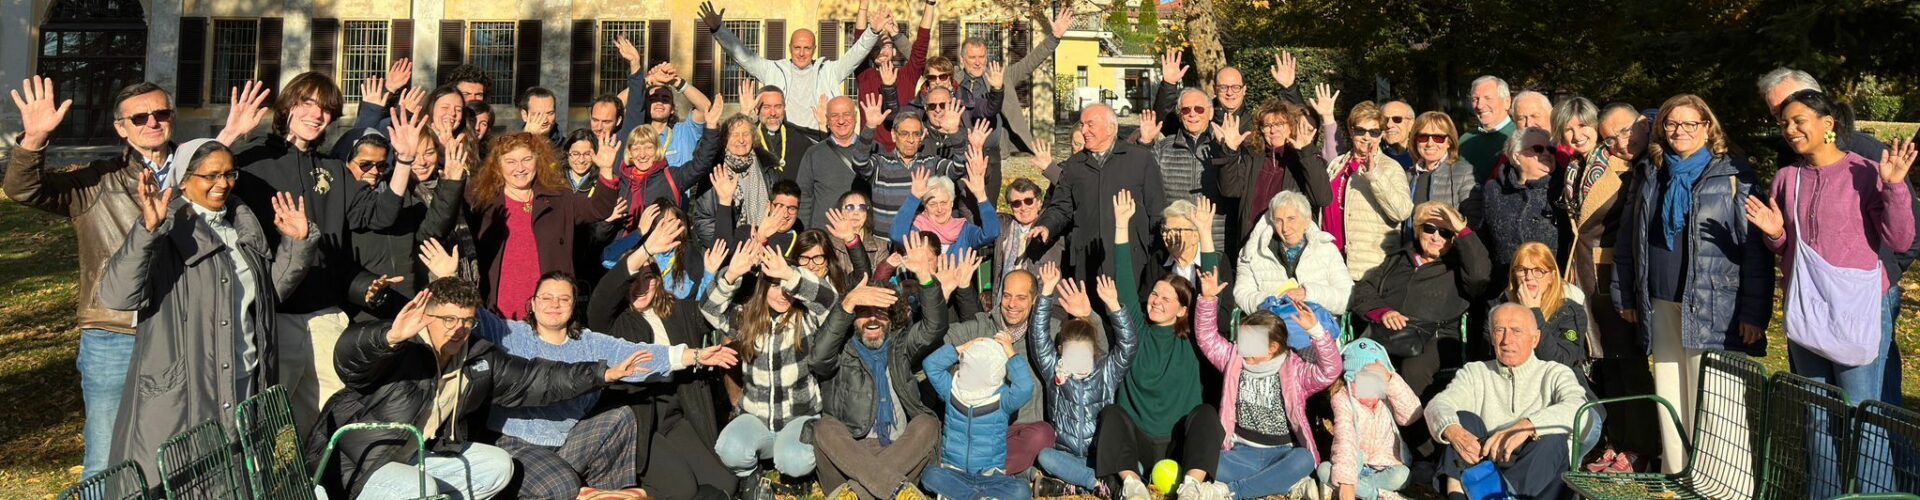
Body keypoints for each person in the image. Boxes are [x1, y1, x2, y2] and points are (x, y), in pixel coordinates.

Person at [313, 277, 654, 499]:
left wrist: (603, 374)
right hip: (360, 464)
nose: (459, 328)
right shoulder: (401, 347)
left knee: (498, 465)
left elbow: (537, 379)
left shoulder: (477, 357)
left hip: (422, 454)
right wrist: (387, 338)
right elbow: (350, 361)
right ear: (428, 316)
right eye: (449, 319)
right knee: (425, 488)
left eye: (466, 320)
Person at [99, 138, 317, 485]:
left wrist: (297, 245)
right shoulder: (166, 227)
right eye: (210, 175)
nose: (223, 184)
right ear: (184, 179)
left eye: (230, 174)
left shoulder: (242, 226)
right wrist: (146, 232)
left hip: (247, 377)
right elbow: (117, 295)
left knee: (236, 480)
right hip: (188, 390)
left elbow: (264, 297)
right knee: (186, 482)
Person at [3, 78, 174, 477]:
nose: (152, 122)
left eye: (161, 113)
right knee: (106, 452)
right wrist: (33, 140)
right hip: (112, 333)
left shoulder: (192, 175)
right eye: (140, 117)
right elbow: (23, 190)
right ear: (121, 128)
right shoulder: (96, 183)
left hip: (173, 330)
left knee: (169, 447)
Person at [218, 74, 404, 436]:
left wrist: (407, 161)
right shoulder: (250, 161)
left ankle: (323, 483)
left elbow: (378, 215)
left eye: (326, 110)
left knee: (335, 415)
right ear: (288, 106)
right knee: (268, 420)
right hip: (275, 313)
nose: (317, 115)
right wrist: (229, 134)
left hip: (325, 314)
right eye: (308, 104)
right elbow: (196, 185)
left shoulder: (333, 169)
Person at [1611, 94, 1774, 480]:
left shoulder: (1733, 173)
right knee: (1671, 394)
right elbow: (1628, 239)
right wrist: (1626, 294)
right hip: (1660, 300)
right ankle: (1679, 477)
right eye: (1671, 124)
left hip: (1716, 303)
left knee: (1716, 399)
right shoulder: (1651, 172)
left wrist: (1754, 313)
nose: (1679, 131)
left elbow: (1755, 250)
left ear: (1708, 128)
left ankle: (1724, 486)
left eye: (1690, 124)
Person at [478, 272, 739, 499]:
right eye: (546, 298)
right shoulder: (509, 334)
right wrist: (448, 273)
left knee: (621, 417)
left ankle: (611, 493)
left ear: (573, 306)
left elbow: (637, 354)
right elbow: (470, 314)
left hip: (566, 442)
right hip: (517, 443)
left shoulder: (588, 343)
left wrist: (692, 355)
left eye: (564, 298)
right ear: (533, 303)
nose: (554, 304)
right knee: (562, 485)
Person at [1758, 67, 1915, 408]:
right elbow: (1790, 245)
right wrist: (1775, 235)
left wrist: (1895, 187)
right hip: (1808, 303)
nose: (1787, 125)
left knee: (1867, 410)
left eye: (1796, 115)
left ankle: (1890, 465)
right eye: (1780, 118)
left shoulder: (1868, 161)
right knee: (1817, 410)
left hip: (1859, 302)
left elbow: (1902, 238)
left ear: (1826, 120)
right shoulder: (1787, 176)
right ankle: (1826, 466)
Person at [1094, 190, 1231, 498]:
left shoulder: (1195, 337)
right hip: (1139, 443)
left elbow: (1209, 291)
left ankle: (1192, 486)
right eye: (1154, 295)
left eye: (1165, 298)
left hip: (1179, 444)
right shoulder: (1137, 331)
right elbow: (1126, 280)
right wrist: (1121, 225)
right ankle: (1131, 485)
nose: (1155, 301)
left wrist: (1205, 233)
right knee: (1111, 414)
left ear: (1183, 309)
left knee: (1208, 415)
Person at [588, 243, 737, 500]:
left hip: (673, 414)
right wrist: (646, 248)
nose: (641, 287)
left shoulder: (673, 310)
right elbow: (601, 299)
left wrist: (724, 274)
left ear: (658, 280)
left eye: (648, 278)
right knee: (682, 489)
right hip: (639, 423)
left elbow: (706, 310)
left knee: (725, 482)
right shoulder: (611, 322)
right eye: (633, 280)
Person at [700, 240, 837, 495]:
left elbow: (830, 301)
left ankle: (793, 468)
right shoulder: (747, 318)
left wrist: (788, 274)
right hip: (757, 418)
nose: (782, 293)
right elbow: (708, 308)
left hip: (799, 416)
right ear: (763, 288)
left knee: (794, 461)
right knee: (729, 449)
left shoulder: (807, 319)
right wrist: (731, 275)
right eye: (774, 286)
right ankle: (752, 475)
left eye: (786, 286)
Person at [1349, 202, 1490, 445]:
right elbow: (1363, 291)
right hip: (1387, 332)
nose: (1436, 237)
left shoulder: (1458, 268)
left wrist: (1461, 228)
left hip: (1433, 336)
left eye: (1445, 232)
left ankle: (1416, 445)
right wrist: (1383, 312)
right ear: (1418, 230)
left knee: (1413, 369)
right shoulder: (1398, 260)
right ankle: (1369, 441)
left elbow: (1481, 275)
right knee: (1365, 364)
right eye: (1429, 229)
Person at [1194, 271, 1343, 499]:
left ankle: (1235, 491)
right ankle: (1284, 483)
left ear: (1273, 347)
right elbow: (1208, 338)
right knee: (1211, 462)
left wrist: (1316, 332)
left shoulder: (1295, 370)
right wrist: (1207, 300)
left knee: (1305, 459)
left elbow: (1330, 370)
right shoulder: (1234, 359)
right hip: (1241, 451)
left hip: (1283, 452)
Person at [1424, 303, 1591, 500]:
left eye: (1516, 331)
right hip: (1485, 465)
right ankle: (1459, 495)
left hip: (1537, 474)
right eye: (1499, 331)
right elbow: (1438, 405)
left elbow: (1581, 411)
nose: (1506, 340)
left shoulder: (1555, 372)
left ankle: (1503, 495)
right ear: (1492, 337)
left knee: (1554, 437)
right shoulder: (1475, 372)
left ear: (1535, 339)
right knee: (1461, 420)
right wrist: (1454, 432)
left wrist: (1528, 426)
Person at [809, 268, 950, 499]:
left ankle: (855, 494)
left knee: (927, 423)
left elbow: (934, 327)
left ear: (891, 316)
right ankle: (895, 490)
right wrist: (847, 303)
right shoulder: (843, 349)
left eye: (880, 311)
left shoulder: (901, 345)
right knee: (824, 427)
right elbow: (818, 358)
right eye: (863, 311)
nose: (872, 318)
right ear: (853, 318)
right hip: (850, 452)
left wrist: (925, 279)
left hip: (900, 450)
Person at [464, 133, 621, 320]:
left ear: (538, 161)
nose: (520, 168)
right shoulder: (484, 203)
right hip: (501, 311)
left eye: (527, 159)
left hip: (550, 310)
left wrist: (606, 170)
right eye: (510, 161)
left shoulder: (558, 198)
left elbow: (598, 208)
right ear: (498, 166)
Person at [947, 6, 1074, 205]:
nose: (978, 62)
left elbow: (1030, 62)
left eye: (982, 57)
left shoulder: (1001, 76)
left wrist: (1054, 38)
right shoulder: (952, 78)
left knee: (988, 205)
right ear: (963, 60)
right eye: (972, 57)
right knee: (960, 204)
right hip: (960, 152)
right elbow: (920, 63)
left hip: (994, 155)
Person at [1027, 263, 1134, 494]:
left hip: (1101, 457)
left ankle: (1074, 485)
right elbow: (1038, 339)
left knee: (1136, 467)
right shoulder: (1055, 371)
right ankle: (1093, 484)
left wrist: (1114, 306)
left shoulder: (1106, 371)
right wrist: (1046, 292)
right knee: (1046, 457)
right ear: (1061, 352)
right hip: (1066, 454)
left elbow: (1128, 346)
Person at [1034, 104, 1169, 286]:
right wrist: (1046, 225)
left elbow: (1157, 209)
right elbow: (1061, 206)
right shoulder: (1075, 165)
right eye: (1082, 125)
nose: (1084, 130)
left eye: (1090, 124)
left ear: (1111, 128)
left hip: (1130, 258)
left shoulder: (1139, 159)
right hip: (1087, 259)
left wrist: (1151, 250)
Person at [701, 0, 885, 130]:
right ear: (790, 47)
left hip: (819, 138)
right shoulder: (773, 69)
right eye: (797, 47)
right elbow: (743, 55)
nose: (802, 53)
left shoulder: (829, 70)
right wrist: (719, 30)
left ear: (814, 49)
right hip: (783, 136)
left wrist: (873, 31)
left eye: (807, 48)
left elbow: (856, 54)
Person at [920, 335, 1037, 499]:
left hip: (990, 476)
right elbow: (930, 365)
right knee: (930, 475)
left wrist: (1011, 352)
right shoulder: (952, 391)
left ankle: (960, 496)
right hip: (953, 472)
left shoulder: (1002, 400)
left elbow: (1025, 388)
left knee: (1021, 490)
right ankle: (976, 497)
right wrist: (963, 347)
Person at [1137, 88, 1241, 256]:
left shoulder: (1225, 147)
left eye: (1199, 109)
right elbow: (1141, 181)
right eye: (1186, 110)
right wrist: (1145, 144)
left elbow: (1236, 189)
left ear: (1210, 112)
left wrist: (1229, 151)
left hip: (1216, 244)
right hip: (1174, 243)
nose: (1193, 114)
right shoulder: (1163, 148)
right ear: (1180, 115)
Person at [1316, 339, 1423, 500]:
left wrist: (1391, 381)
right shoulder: (1343, 398)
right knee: (1325, 470)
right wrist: (1346, 482)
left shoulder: (1387, 394)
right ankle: (1378, 495)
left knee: (1402, 475)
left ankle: (1354, 489)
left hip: (1385, 466)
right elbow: (1345, 439)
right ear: (1352, 378)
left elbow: (1411, 415)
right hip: (1354, 464)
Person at [1327, 101, 1414, 281]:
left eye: (1374, 132)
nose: (1367, 138)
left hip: (1368, 269)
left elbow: (1402, 211)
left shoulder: (1390, 168)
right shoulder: (1337, 165)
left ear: (1381, 135)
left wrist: (1374, 174)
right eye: (1360, 131)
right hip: (1333, 265)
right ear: (1351, 131)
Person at [1221, 99, 1332, 239]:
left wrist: (1306, 154)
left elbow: (1322, 199)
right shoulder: (1253, 158)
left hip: (1289, 247)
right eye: (1267, 125)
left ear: (1291, 125)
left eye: (1279, 124)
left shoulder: (1306, 159)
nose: (1273, 130)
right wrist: (1230, 153)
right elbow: (1230, 190)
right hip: (1252, 244)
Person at [1235, 191, 1353, 317]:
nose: (1285, 228)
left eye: (1291, 219)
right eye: (1279, 221)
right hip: (1272, 327)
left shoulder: (1327, 250)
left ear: (1307, 221)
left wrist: (1308, 293)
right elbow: (1242, 295)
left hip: (1318, 330)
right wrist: (1273, 301)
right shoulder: (1252, 253)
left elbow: (1348, 298)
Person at [1477, 127, 1570, 281]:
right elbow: (1483, 243)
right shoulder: (1493, 190)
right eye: (1538, 149)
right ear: (1517, 156)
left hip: (1553, 287)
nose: (1546, 153)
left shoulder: (1565, 189)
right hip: (1506, 288)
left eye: (1551, 149)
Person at [691, 115, 785, 247]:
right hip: (725, 253)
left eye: (746, 134)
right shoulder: (714, 172)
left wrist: (762, 240)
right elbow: (704, 220)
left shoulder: (768, 170)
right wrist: (731, 247)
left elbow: (777, 213)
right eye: (734, 134)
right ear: (725, 139)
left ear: (753, 137)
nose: (741, 140)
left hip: (764, 247)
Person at [795, 95, 885, 229]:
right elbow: (804, 198)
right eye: (834, 116)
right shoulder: (814, 153)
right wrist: (806, 235)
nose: (841, 120)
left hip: (863, 234)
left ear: (855, 116)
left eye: (846, 114)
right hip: (825, 236)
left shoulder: (875, 149)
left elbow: (884, 193)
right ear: (827, 120)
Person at [1502, 242, 1592, 370]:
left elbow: (1562, 363)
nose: (1529, 277)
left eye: (1538, 271)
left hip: (1560, 387)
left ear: (1552, 277)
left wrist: (1533, 312)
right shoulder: (1503, 309)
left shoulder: (1570, 312)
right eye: (1522, 270)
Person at [890, 152, 999, 255]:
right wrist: (913, 198)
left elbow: (991, 233)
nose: (939, 209)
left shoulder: (963, 230)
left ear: (952, 203)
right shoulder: (917, 229)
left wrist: (981, 196)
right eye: (932, 204)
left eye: (944, 202)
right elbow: (896, 236)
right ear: (925, 207)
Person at [1407, 112, 1483, 225]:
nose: (1429, 143)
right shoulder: (1409, 174)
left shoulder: (1464, 173)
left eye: (1438, 138)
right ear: (1415, 140)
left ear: (1449, 142)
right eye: (1423, 137)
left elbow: (1474, 221)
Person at [993, 177, 1065, 296]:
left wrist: (1050, 168)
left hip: (1044, 300)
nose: (1023, 208)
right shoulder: (1004, 225)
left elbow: (1068, 194)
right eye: (1016, 203)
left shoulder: (1051, 225)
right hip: (1008, 301)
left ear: (1039, 202)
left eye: (1028, 201)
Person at [747, 85, 827, 179]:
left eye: (778, 107)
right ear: (756, 110)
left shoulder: (798, 139)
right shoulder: (748, 138)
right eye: (766, 107)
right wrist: (744, 113)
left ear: (784, 109)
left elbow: (824, 159)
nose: (773, 113)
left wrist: (823, 125)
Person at [1460, 76, 1516, 181]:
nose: (1480, 105)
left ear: (1507, 102)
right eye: (1475, 99)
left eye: (1488, 98)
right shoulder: (1464, 140)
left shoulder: (1520, 137)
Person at [1379, 100, 1417, 169]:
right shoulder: (1372, 153)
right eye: (1384, 120)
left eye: (1397, 119)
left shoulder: (1423, 156)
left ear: (1411, 124)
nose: (1389, 125)